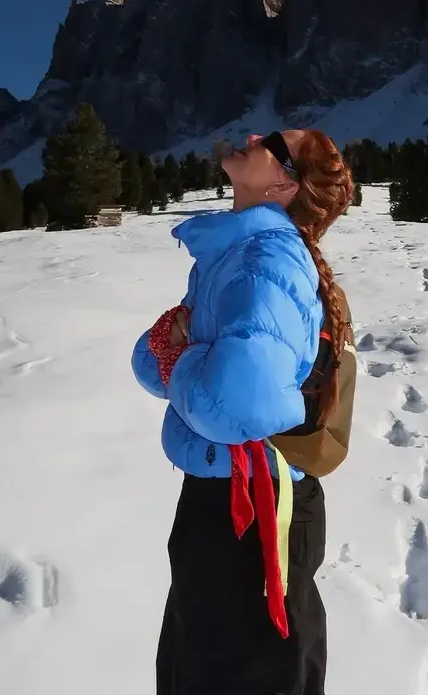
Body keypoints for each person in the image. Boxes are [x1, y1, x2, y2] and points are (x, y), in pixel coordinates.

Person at [132, 129, 354, 695]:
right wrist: (179, 352)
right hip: (228, 501)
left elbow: (234, 405)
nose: (254, 134)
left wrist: (181, 352)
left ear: (284, 185)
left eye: (274, 142)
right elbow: (149, 361)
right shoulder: (235, 256)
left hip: (252, 516)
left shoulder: (266, 260)